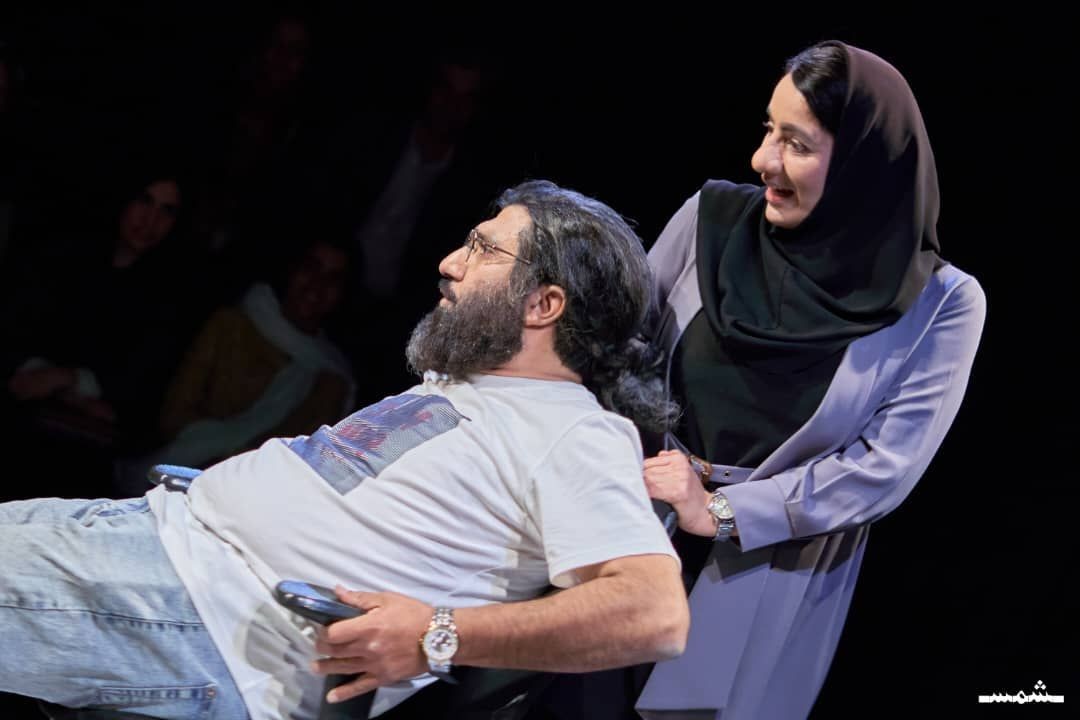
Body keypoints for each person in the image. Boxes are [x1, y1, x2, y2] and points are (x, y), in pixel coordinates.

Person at [0, 180, 688, 720]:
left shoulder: (574, 429)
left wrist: (438, 632)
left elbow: (652, 613)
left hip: (202, 615)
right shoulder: (470, 390)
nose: (449, 264)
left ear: (543, 305)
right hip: (154, 542)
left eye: (483, 251)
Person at [622, 41, 986, 719]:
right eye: (769, 129)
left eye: (796, 143)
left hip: (769, 567)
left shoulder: (943, 304)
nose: (763, 160)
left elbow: (880, 470)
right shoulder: (709, 220)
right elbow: (621, 347)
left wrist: (720, 512)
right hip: (629, 517)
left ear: (862, 164)